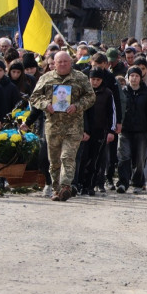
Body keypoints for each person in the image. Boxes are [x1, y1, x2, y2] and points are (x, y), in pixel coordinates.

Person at [28, 50, 96, 202]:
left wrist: (77, 106)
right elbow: (34, 97)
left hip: (73, 126)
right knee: (54, 161)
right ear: (54, 64)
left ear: (71, 62)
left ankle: (66, 186)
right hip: (53, 126)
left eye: (66, 61)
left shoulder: (80, 78)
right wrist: (46, 105)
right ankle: (56, 189)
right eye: (60, 62)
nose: (63, 64)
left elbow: (91, 96)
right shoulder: (46, 78)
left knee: (68, 157)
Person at [77, 67, 117, 196]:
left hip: (100, 131)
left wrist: (112, 130)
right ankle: (80, 184)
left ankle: (91, 185)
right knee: (83, 159)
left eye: (97, 79)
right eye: (92, 79)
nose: (94, 82)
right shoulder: (84, 93)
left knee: (96, 160)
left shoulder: (107, 93)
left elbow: (112, 113)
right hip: (85, 131)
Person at [116, 67, 147, 194]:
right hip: (125, 129)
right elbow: (118, 109)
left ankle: (137, 182)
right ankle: (123, 182)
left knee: (139, 158)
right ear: (128, 77)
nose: (134, 78)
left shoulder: (146, 92)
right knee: (124, 156)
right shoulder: (123, 91)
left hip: (141, 130)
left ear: (140, 78)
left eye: (136, 76)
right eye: (131, 76)